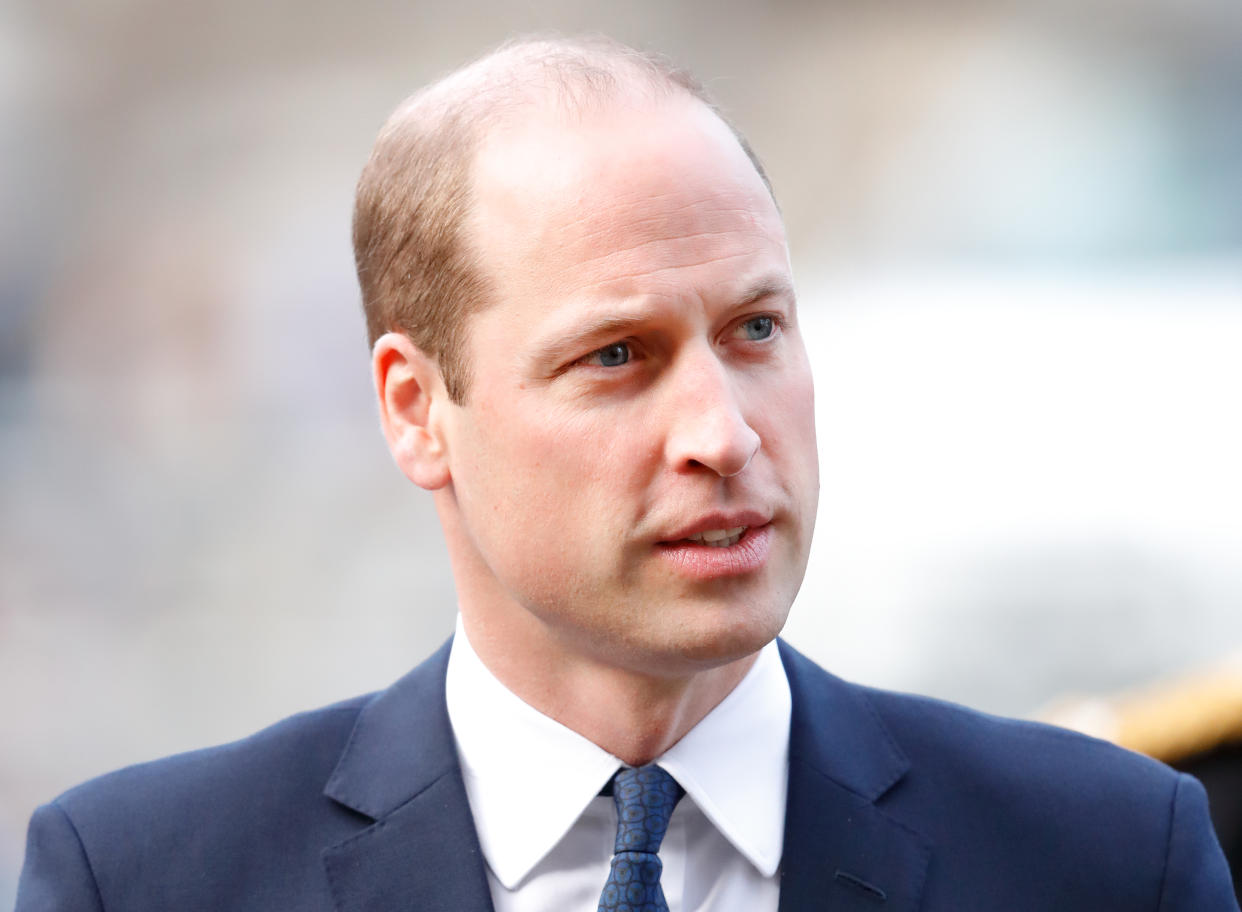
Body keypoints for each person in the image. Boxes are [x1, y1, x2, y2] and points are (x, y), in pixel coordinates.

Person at [15, 35, 1238, 912]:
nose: (723, 431)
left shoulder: (1106, 854)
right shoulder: (144, 877)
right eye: (617, 356)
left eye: (756, 329)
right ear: (414, 408)